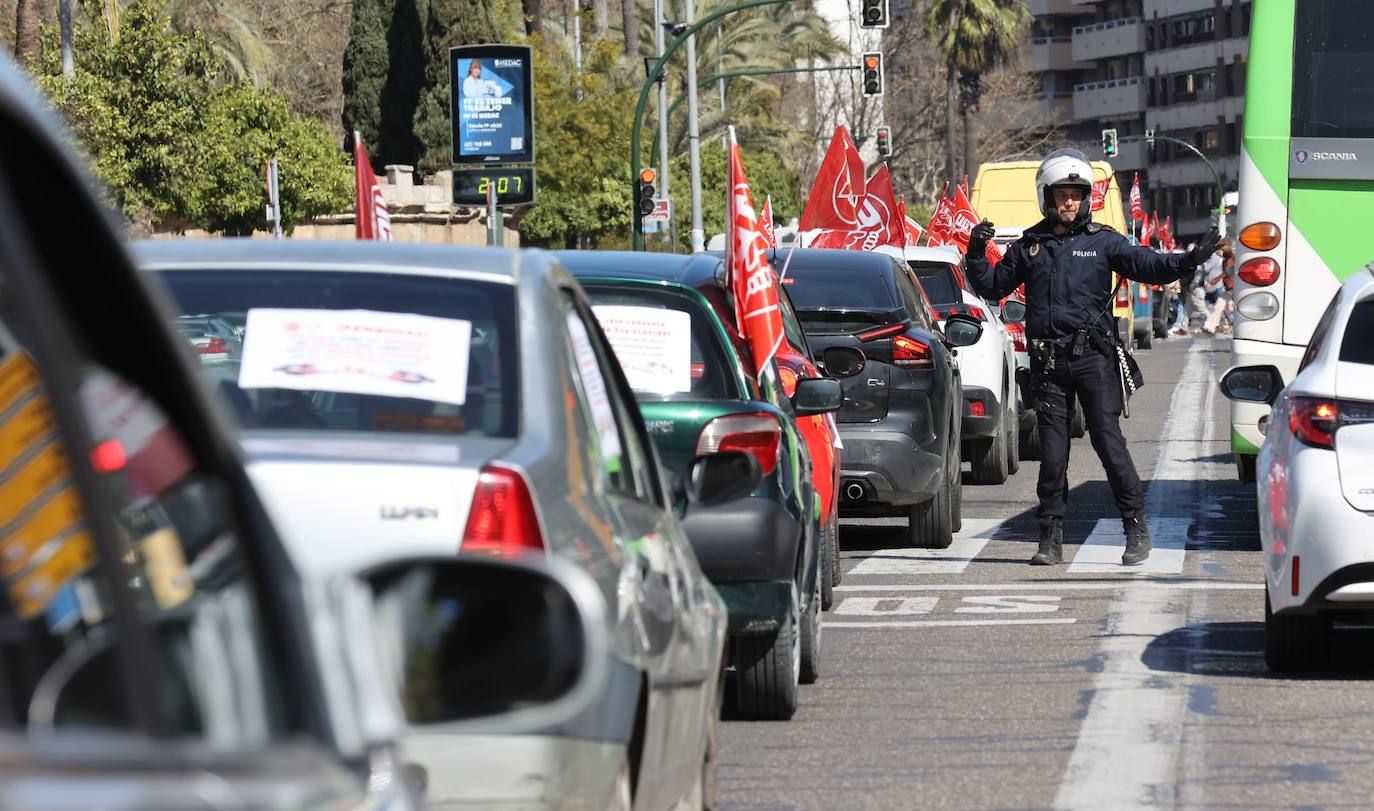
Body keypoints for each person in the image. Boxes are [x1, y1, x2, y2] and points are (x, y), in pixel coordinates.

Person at [964, 149, 1220, 566]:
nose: (1069, 202)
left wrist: (1188, 260)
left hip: (1093, 361)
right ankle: (1049, 539)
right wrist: (976, 252)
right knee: (1052, 457)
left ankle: (1135, 528)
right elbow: (992, 286)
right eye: (1062, 194)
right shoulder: (1030, 245)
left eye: (1077, 195)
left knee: (1109, 443)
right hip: (1049, 366)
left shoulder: (1104, 241)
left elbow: (1148, 264)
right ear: (1046, 196)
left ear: (1086, 198)